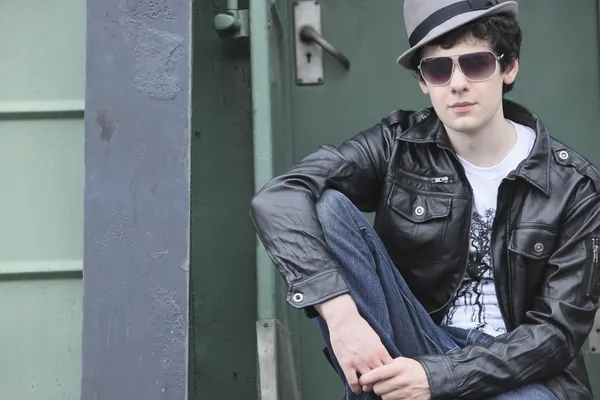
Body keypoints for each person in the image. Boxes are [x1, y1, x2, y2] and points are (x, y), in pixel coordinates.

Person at [249, 0, 600, 399]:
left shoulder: (574, 185)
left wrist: (437, 378)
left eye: (476, 64)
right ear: (423, 81)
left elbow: (555, 334)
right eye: (438, 68)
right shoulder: (398, 146)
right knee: (324, 206)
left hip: (519, 374)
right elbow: (278, 197)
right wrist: (341, 314)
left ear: (509, 67)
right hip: (416, 342)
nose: (457, 83)